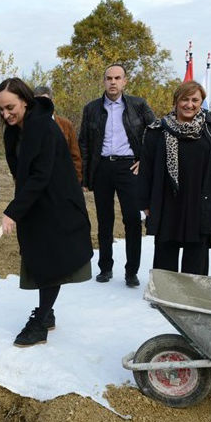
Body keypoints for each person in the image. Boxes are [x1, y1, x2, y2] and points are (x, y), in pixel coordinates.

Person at [0, 78, 93, 347]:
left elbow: (40, 176)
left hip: (58, 205)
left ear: (25, 101)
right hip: (36, 203)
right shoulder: (13, 131)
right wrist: (22, 206)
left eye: (10, 107)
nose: (5, 114)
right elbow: (21, 176)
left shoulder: (44, 128)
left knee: (52, 261)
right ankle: (46, 313)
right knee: (38, 257)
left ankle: (40, 323)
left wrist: (13, 211)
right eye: (1, 110)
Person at [138, 80, 211, 275]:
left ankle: (192, 295)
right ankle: (165, 292)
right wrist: (145, 202)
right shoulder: (157, 130)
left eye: (195, 100)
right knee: (166, 250)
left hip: (201, 201)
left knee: (196, 253)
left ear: (201, 102)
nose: (189, 105)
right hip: (167, 200)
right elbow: (146, 169)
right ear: (176, 101)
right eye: (184, 99)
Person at [78, 64, 155, 287]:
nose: (113, 82)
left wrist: (144, 161)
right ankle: (105, 267)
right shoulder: (92, 108)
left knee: (132, 219)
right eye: (109, 78)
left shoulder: (138, 105)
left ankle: (131, 272)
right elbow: (84, 142)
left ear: (124, 81)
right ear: (104, 81)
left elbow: (155, 132)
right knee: (104, 220)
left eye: (117, 78)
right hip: (102, 167)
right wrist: (84, 176)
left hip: (129, 167)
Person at [32, 85, 82, 182]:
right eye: (38, 102)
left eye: (45, 101)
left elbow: (75, 156)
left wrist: (76, 181)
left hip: (63, 179)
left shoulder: (66, 125)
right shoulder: (28, 126)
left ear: (52, 101)